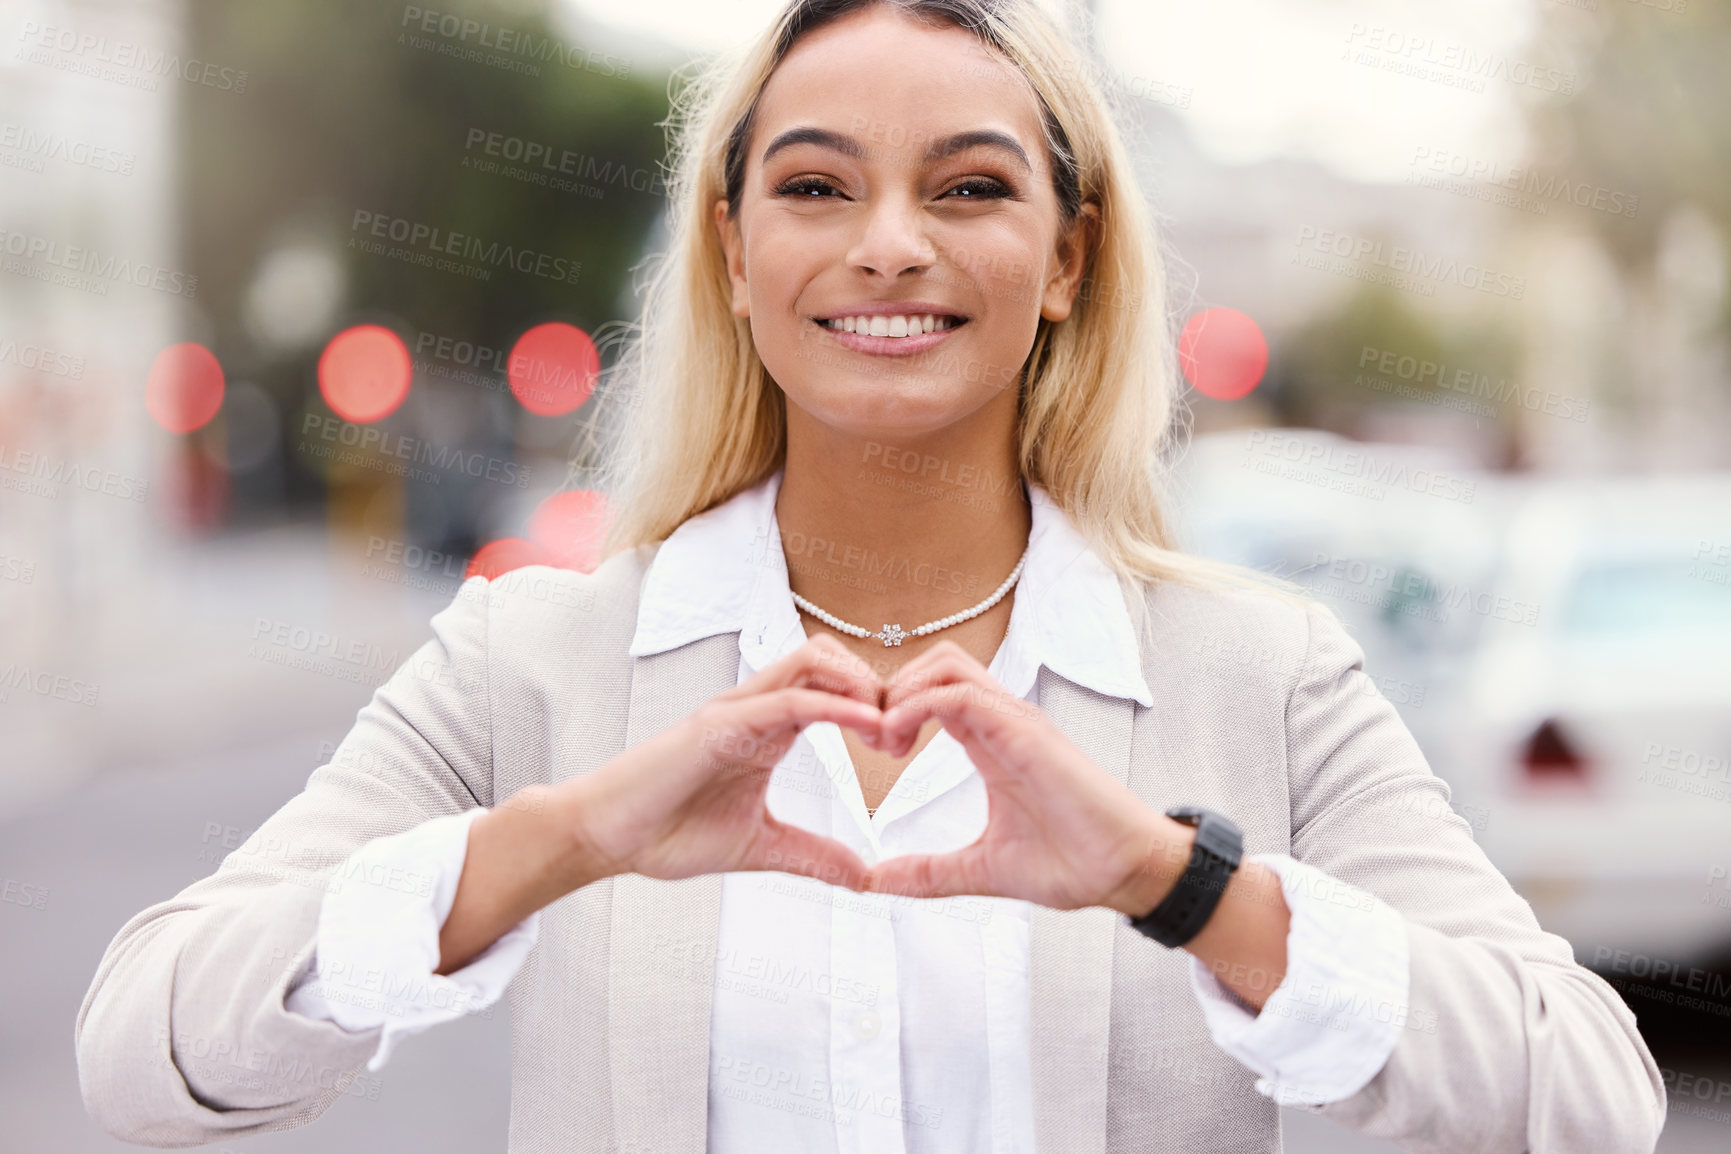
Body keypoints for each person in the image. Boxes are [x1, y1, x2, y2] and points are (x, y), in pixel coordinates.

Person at [76, 1, 1666, 1151]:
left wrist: (1170, 883)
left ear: (1065, 259)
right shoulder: (537, 657)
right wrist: (557, 842)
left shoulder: (1260, 669)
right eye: (818, 186)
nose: (890, 244)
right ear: (732, 253)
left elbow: (1587, 1098)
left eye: (970, 187)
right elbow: (144, 1060)